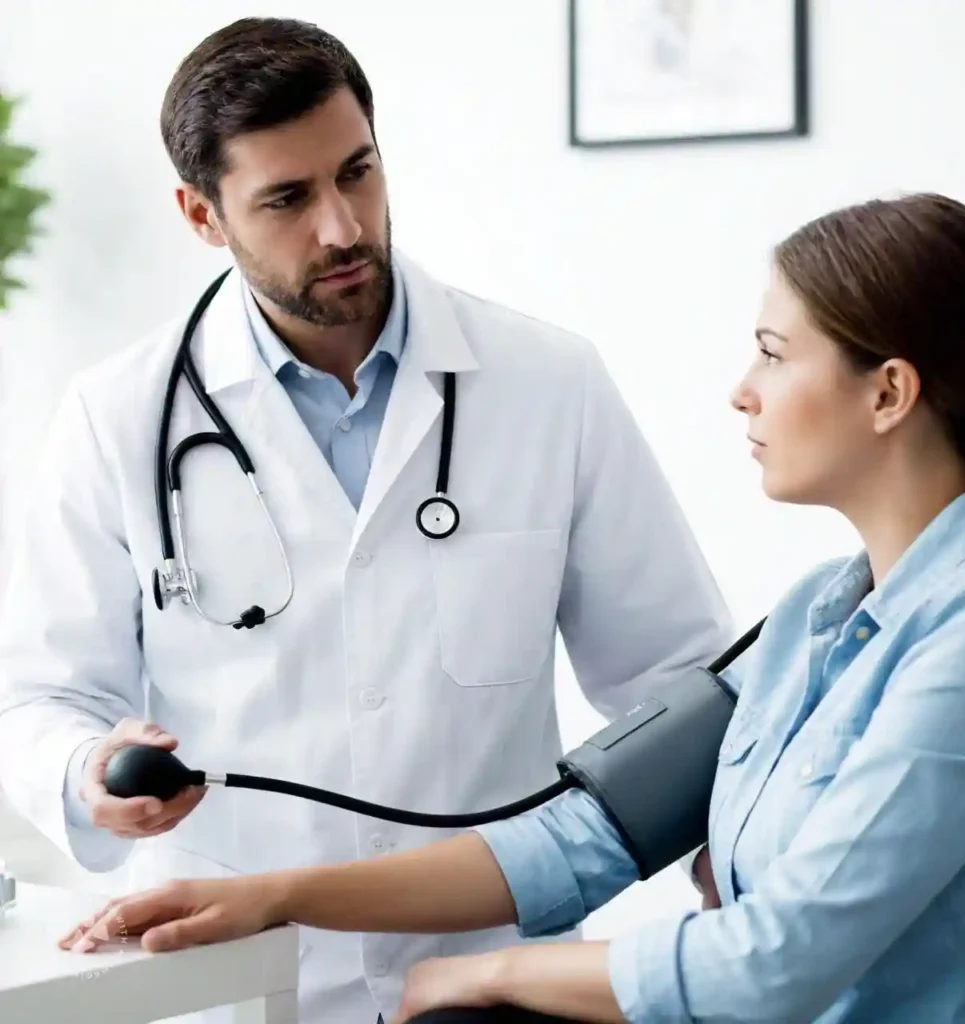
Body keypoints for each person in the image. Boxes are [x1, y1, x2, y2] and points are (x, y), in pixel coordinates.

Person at [58, 191, 965, 1024]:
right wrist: (278, 897)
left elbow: (775, 959)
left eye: (773, 354)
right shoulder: (817, 613)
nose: (741, 392)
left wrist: (489, 970)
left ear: (890, 392)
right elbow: (591, 833)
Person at [0, 15, 732, 1024]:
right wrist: (87, 771)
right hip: (238, 980)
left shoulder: (546, 384)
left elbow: (674, 678)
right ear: (202, 216)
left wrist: (725, 845)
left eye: (358, 173)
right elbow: (35, 699)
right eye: (287, 199)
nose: (342, 228)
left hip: (493, 978)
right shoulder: (117, 417)